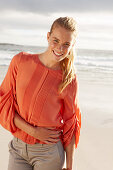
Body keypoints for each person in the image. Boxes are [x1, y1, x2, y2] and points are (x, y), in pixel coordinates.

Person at [0, 16, 81, 170]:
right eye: (55, 40)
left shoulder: (69, 79)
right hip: (18, 149)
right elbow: (3, 106)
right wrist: (33, 131)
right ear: (48, 36)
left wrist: (70, 166)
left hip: (49, 154)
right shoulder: (20, 61)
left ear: (72, 45)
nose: (60, 49)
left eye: (66, 44)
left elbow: (71, 124)